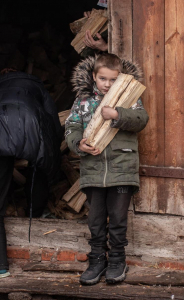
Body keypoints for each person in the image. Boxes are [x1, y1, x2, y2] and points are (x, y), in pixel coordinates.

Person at [0, 69, 62, 278]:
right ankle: (35, 211)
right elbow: (53, 124)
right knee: (39, 168)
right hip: (29, 128)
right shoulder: (36, 88)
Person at [65, 54, 148, 285]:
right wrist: (78, 144)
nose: (107, 84)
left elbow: (141, 119)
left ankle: (117, 260)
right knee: (96, 219)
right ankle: (97, 260)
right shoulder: (82, 101)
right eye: (103, 79)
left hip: (122, 169)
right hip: (93, 170)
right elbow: (71, 127)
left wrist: (118, 114)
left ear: (119, 78)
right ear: (94, 76)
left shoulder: (128, 98)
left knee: (119, 218)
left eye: (113, 79)